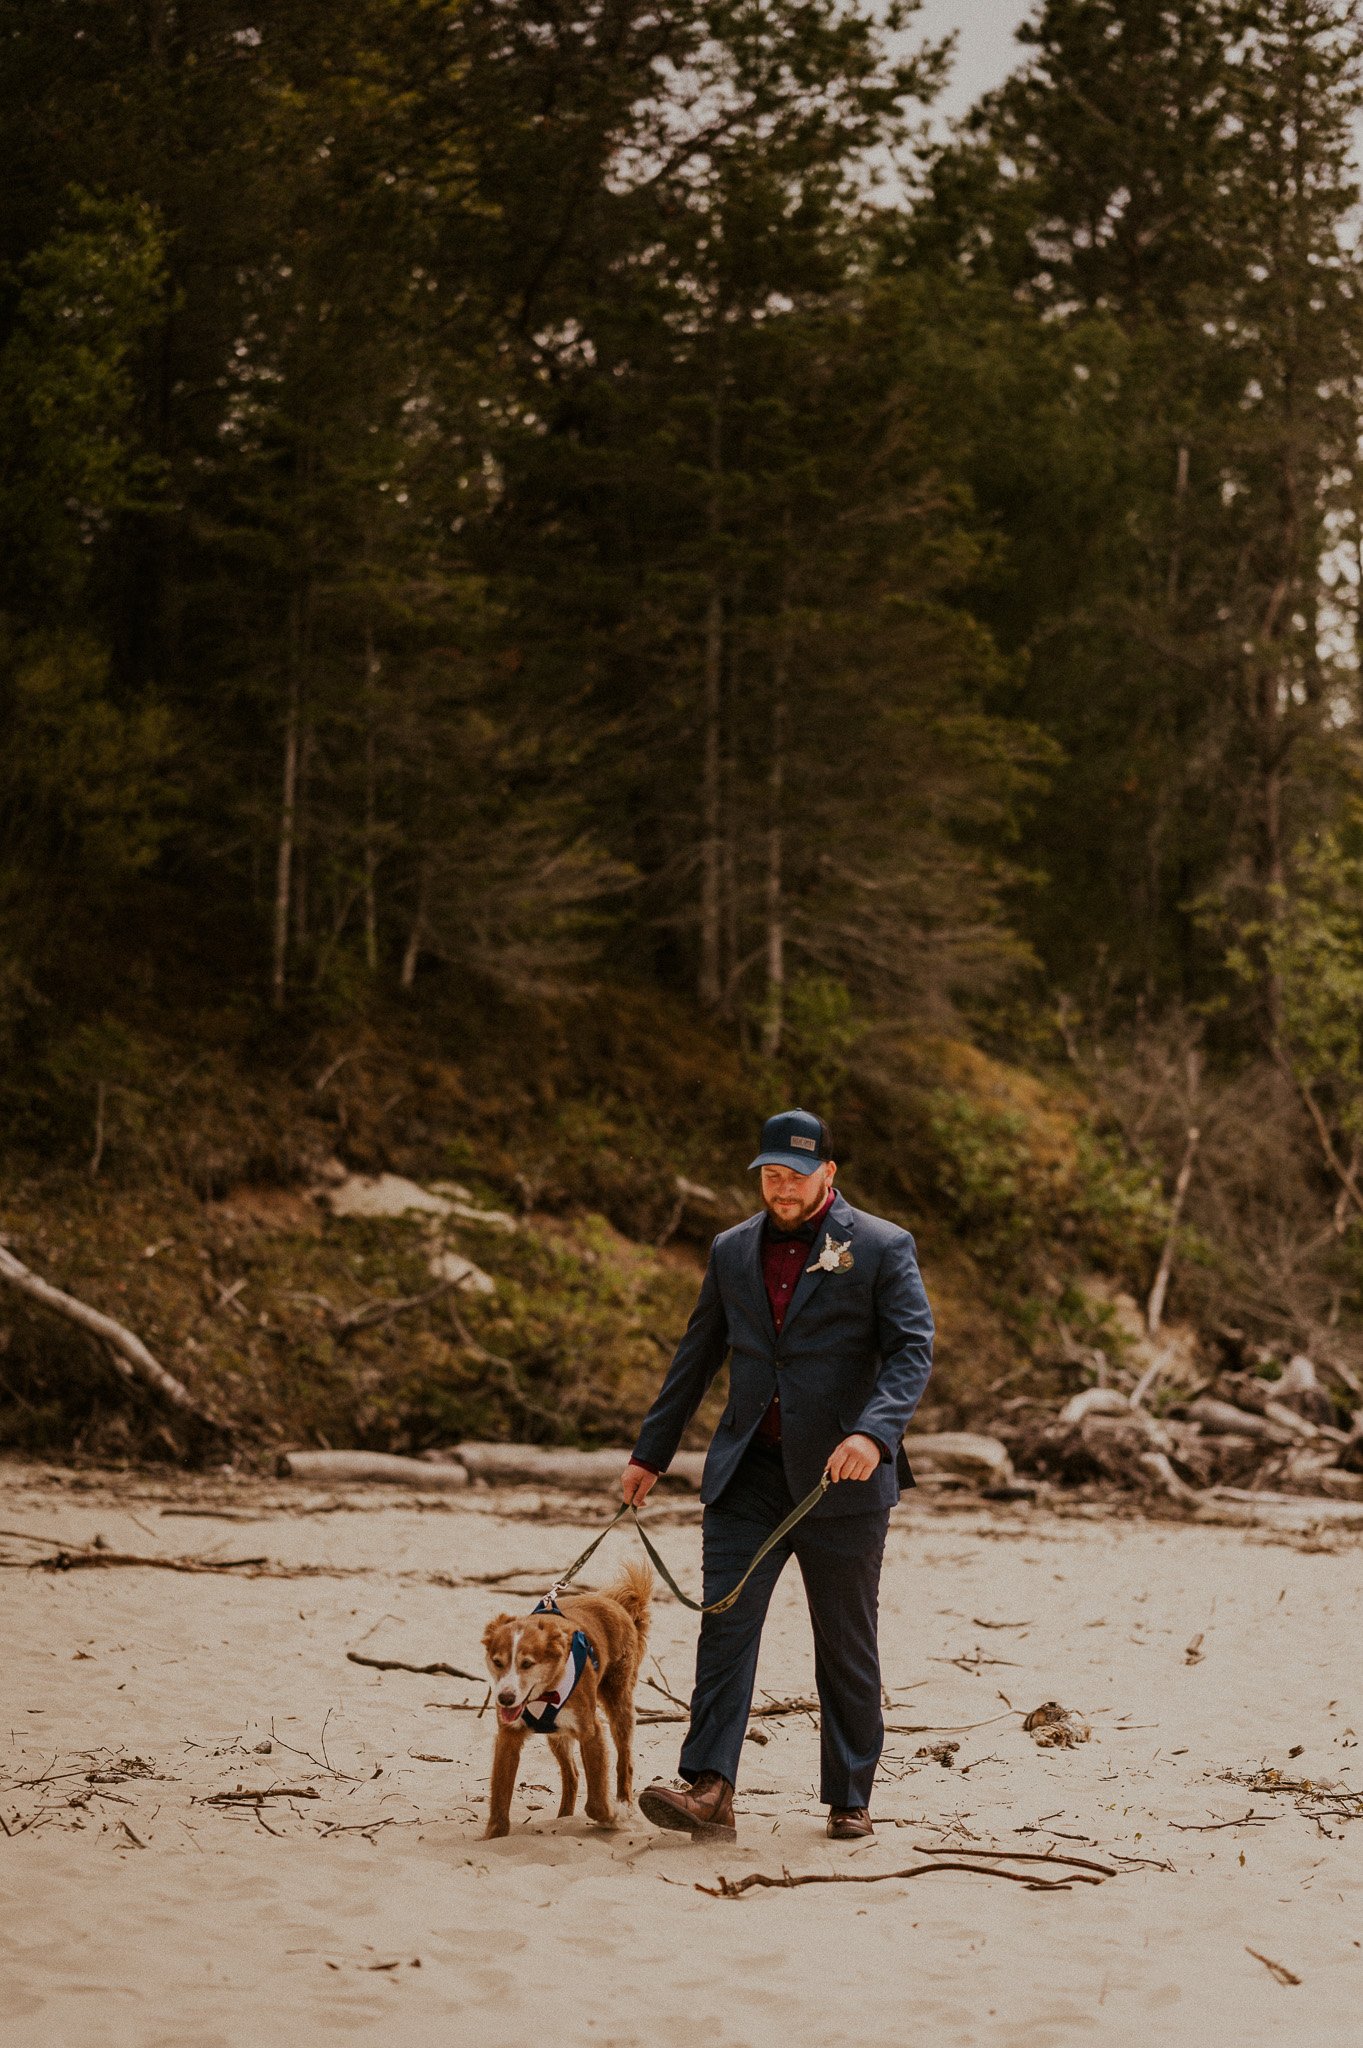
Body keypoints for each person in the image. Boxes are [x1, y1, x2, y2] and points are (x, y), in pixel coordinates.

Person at [621, 1108, 934, 1841]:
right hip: (747, 1473)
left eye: (793, 1175)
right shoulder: (731, 1249)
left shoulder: (884, 1247)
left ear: (829, 1172)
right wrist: (650, 1453)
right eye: (769, 1173)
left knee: (845, 1640)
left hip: (842, 1480)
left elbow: (912, 1351)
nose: (780, 1187)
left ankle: (849, 1794)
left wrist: (873, 1432)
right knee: (724, 1627)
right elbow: (695, 1355)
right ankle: (707, 1786)